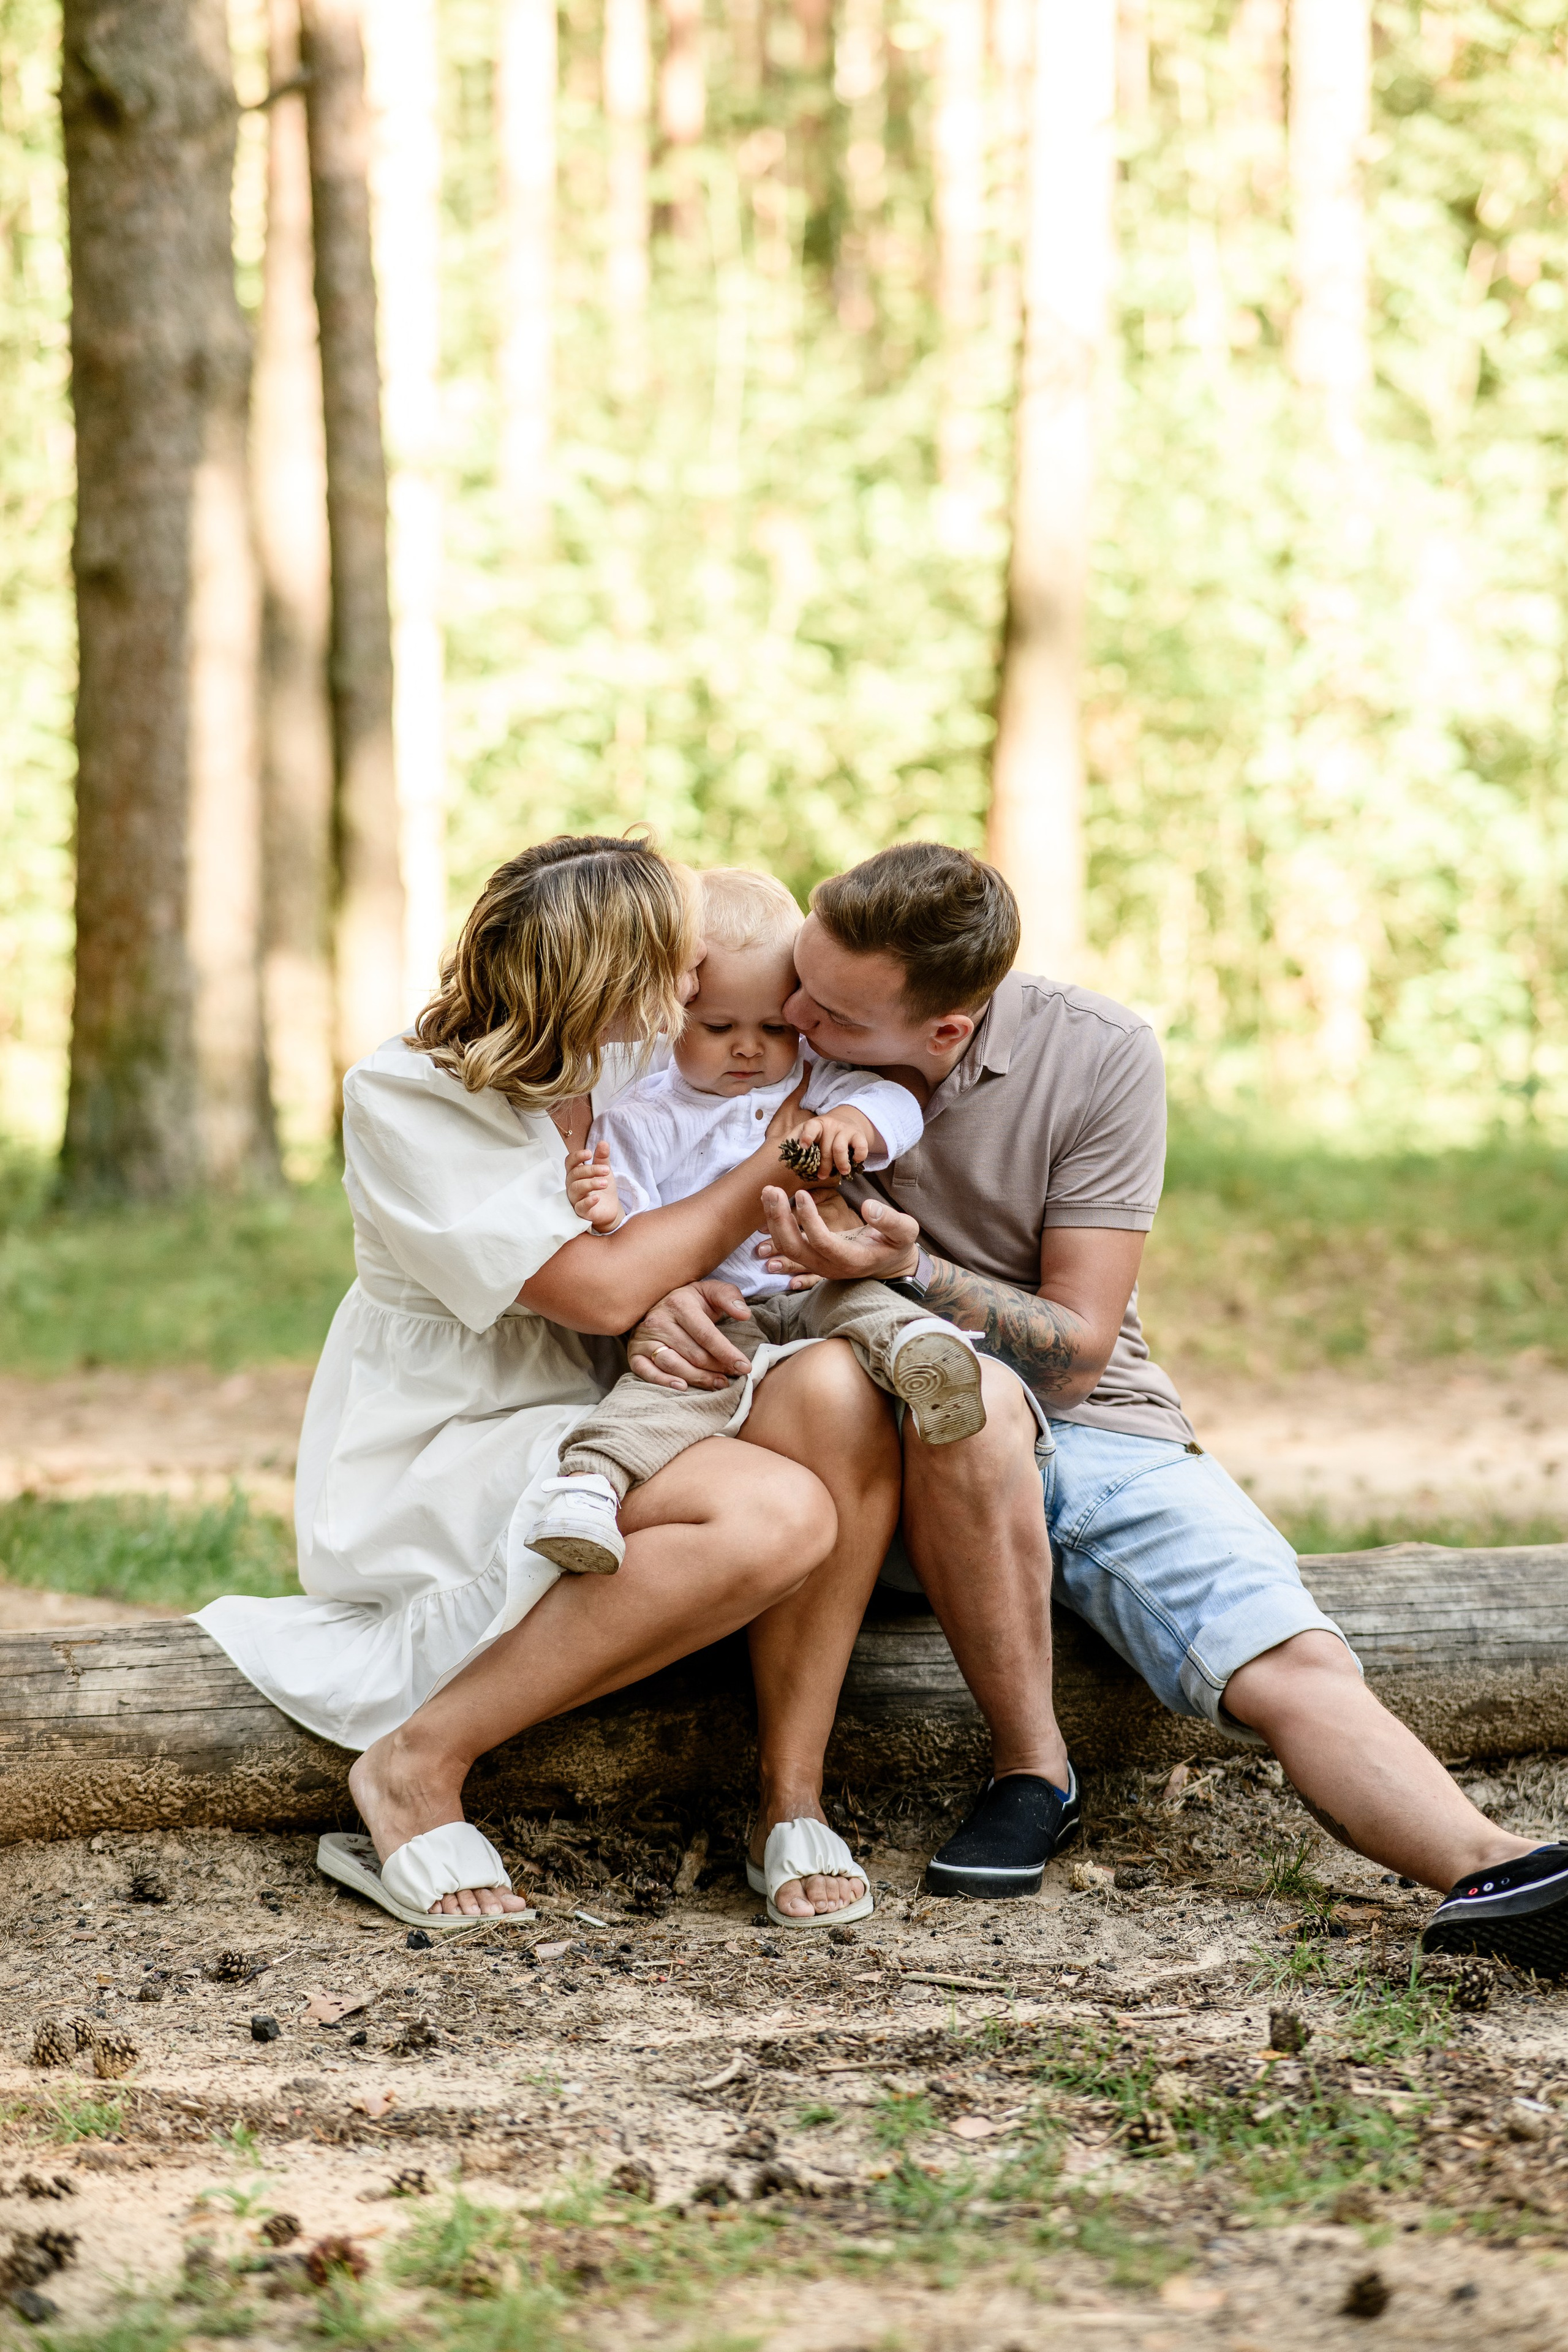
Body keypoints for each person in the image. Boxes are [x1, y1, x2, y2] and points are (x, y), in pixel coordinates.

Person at [627, 841, 1568, 1975]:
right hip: (870, 1444)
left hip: (1091, 1420)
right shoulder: (752, 1045)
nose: (787, 1015)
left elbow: (1073, 1356)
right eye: (794, 985)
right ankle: (1034, 1771)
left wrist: (914, 1270)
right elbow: (636, 1209)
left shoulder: (1097, 1055)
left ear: (947, 1034)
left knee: (1283, 1656)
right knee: (962, 1396)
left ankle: (1497, 1867)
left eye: (825, 1011)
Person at [198, 835, 902, 1929]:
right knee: (775, 1514)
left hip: (600, 1391)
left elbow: (638, 1252)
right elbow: (598, 1285)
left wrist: (665, 1293)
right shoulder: (406, 1095)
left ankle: (789, 1801)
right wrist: (774, 1165)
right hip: (457, 1426)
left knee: (836, 1396)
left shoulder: (624, 1063)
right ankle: (417, 1764)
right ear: (608, 982)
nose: (696, 987)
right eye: (676, 969)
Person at [527, 866, 987, 1580]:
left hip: (807, 1279)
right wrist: (609, 1208)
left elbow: (894, 1103)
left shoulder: (808, 1078)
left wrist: (850, 1124)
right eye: (718, 1028)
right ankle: (588, 1487)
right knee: (669, 1389)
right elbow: (628, 1221)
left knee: (866, 1304)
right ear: (671, 1018)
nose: (749, 1047)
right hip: (720, 1305)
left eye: (773, 1026)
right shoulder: (645, 1114)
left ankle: (928, 1359)